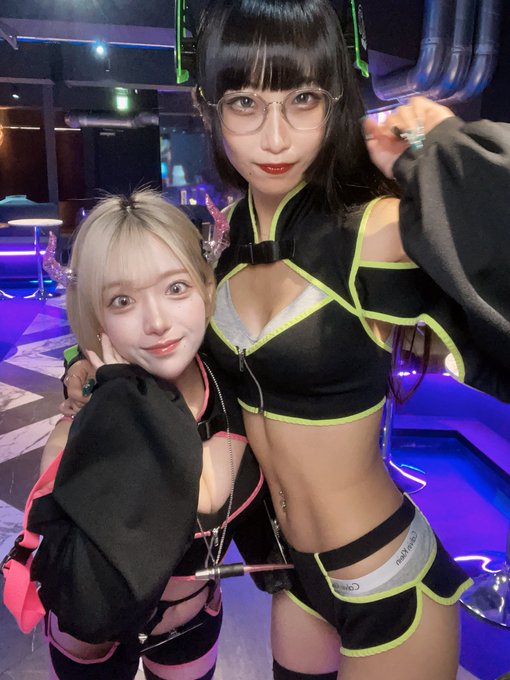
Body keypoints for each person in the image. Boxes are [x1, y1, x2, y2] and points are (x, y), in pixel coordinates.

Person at [64, 1, 510, 679]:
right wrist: (83, 365)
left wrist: (442, 146)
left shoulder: (372, 233)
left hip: (385, 578)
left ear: (334, 101)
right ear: (210, 107)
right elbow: (165, 343)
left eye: (302, 99)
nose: (274, 138)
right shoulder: (226, 251)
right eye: (245, 103)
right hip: (292, 579)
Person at [9, 190, 289, 680]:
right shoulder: (86, 418)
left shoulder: (236, 386)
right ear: (96, 316)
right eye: (122, 300)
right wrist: (113, 399)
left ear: (206, 287)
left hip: (190, 619)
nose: (157, 322)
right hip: (90, 632)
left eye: (176, 288)